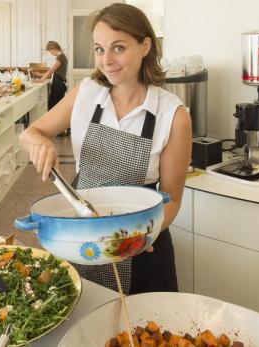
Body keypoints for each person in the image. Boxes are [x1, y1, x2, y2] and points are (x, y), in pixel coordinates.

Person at [19, 3, 192, 294]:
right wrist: (39, 144)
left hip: (138, 247)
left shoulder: (172, 115)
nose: (107, 60)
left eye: (119, 48)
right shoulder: (86, 94)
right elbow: (30, 133)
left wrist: (144, 235)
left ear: (145, 46)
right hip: (81, 237)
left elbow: (172, 199)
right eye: (99, 49)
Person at [34, 41, 68, 110]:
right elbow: (54, 72)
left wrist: (41, 80)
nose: (51, 53)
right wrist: (40, 75)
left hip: (58, 84)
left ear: (53, 48)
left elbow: (51, 71)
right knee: (56, 106)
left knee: (54, 107)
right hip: (59, 83)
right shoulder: (62, 56)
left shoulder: (60, 57)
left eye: (50, 51)